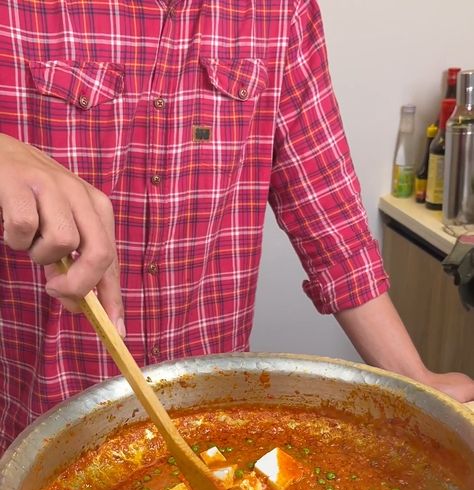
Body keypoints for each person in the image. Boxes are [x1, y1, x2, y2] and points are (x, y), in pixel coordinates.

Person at [0, 0, 473, 457]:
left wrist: (414, 378)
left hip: (209, 414)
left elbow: (332, 222)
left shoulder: (283, 9)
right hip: (38, 420)